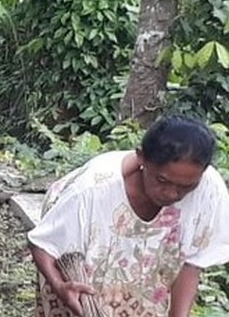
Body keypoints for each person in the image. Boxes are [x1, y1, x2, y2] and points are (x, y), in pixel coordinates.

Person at [28, 115, 229, 317]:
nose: (172, 194)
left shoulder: (208, 191)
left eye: (186, 186)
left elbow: (191, 264)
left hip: (147, 273)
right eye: (162, 180)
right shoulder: (91, 191)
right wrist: (59, 286)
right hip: (77, 248)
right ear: (141, 157)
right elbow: (44, 245)